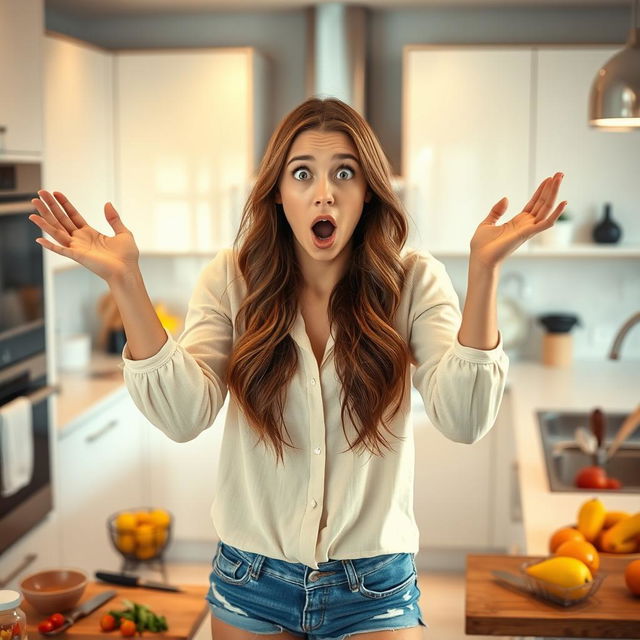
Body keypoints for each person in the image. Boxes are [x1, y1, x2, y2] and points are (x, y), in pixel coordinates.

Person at [30, 97, 566, 640]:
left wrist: (485, 273)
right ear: (279, 192)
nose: (324, 192)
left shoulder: (413, 280)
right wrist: (126, 281)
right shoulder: (232, 279)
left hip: (375, 585)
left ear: (368, 193)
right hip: (251, 579)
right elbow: (183, 415)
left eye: (345, 173)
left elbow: (465, 418)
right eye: (302, 173)